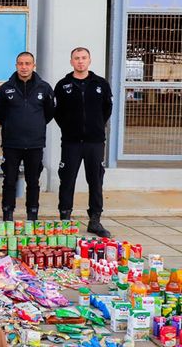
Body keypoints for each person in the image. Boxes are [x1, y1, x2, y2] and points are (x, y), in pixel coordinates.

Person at [55, 47, 113, 238]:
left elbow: (107, 109)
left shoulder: (101, 84)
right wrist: (70, 128)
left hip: (94, 143)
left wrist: (95, 127)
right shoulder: (63, 85)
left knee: (95, 180)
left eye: (84, 58)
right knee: (67, 180)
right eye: (76, 58)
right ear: (71, 61)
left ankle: (95, 221)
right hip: (71, 142)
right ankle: (65, 219)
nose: (80, 61)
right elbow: (58, 112)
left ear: (89, 60)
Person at [0, 52, 55, 221]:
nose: (24, 67)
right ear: (16, 66)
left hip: (35, 144)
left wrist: (35, 125)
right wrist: (11, 125)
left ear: (33, 66)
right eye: (20, 63)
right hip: (12, 144)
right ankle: (7, 213)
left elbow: (49, 113)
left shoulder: (44, 88)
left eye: (28, 63)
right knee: (9, 181)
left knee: (33, 182)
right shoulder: (6, 88)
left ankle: (32, 214)